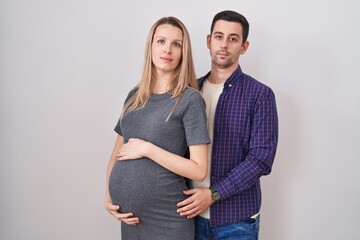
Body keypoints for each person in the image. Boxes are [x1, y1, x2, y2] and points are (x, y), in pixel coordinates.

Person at [104, 16, 210, 240]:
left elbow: (199, 169)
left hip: (167, 219)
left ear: (183, 52)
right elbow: (117, 153)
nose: (168, 50)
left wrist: (148, 149)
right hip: (131, 221)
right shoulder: (134, 97)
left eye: (176, 44)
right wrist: (108, 195)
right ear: (150, 46)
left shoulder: (189, 100)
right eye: (161, 41)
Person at [176, 10, 279, 239]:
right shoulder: (189, 92)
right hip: (188, 216)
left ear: (244, 46)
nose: (224, 44)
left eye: (233, 39)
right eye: (218, 36)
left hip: (237, 220)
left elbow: (261, 159)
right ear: (208, 40)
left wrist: (213, 194)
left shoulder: (260, 95)